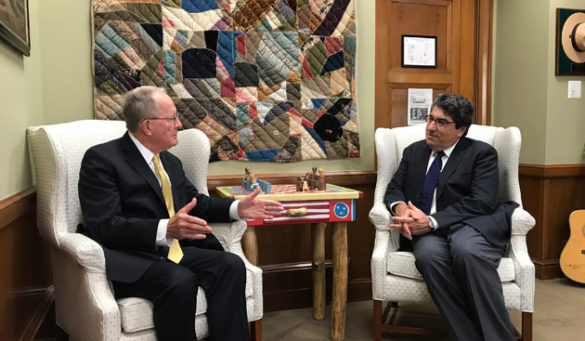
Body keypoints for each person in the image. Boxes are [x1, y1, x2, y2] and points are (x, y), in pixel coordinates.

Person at [78, 86, 283, 341]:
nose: (179, 124)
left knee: (230, 265)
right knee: (179, 280)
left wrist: (236, 208)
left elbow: (195, 203)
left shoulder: (170, 162)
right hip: (132, 257)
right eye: (172, 118)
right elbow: (105, 226)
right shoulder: (102, 159)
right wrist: (166, 229)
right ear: (148, 125)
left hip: (172, 252)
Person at [384, 93, 518, 341]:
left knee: (466, 251)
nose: (431, 127)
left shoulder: (482, 154)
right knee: (426, 255)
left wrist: (432, 221)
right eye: (430, 118)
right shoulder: (413, 152)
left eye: (441, 122)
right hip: (426, 232)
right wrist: (402, 210)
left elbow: (481, 201)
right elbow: (394, 189)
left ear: (460, 130)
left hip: (469, 225)